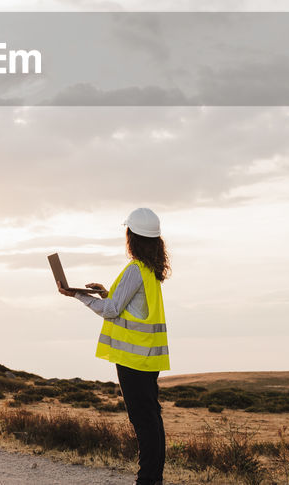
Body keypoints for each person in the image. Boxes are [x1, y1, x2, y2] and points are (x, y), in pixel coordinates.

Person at [59, 207, 170, 485]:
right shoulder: (149, 270)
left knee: (143, 422)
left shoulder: (135, 269)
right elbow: (133, 306)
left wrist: (78, 296)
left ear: (131, 236)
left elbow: (111, 310)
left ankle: (147, 480)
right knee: (152, 419)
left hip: (133, 359)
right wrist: (106, 293)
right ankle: (153, 478)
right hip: (147, 358)